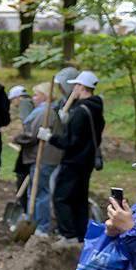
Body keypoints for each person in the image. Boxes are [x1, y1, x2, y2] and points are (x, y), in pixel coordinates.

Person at [42, 70, 104, 247]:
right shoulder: (95, 108)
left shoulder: (81, 112)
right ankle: (80, 235)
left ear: (82, 87)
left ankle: (68, 235)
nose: (74, 89)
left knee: (61, 197)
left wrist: (50, 137)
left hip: (74, 161)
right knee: (79, 198)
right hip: (87, 162)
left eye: (76, 85)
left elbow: (71, 142)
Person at [16, 82, 59, 236]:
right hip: (46, 157)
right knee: (38, 191)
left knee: (40, 192)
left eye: (36, 95)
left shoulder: (44, 112)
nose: (33, 98)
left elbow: (31, 135)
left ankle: (41, 226)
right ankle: (34, 222)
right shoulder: (49, 110)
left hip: (43, 157)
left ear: (44, 96)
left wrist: (19, 138)